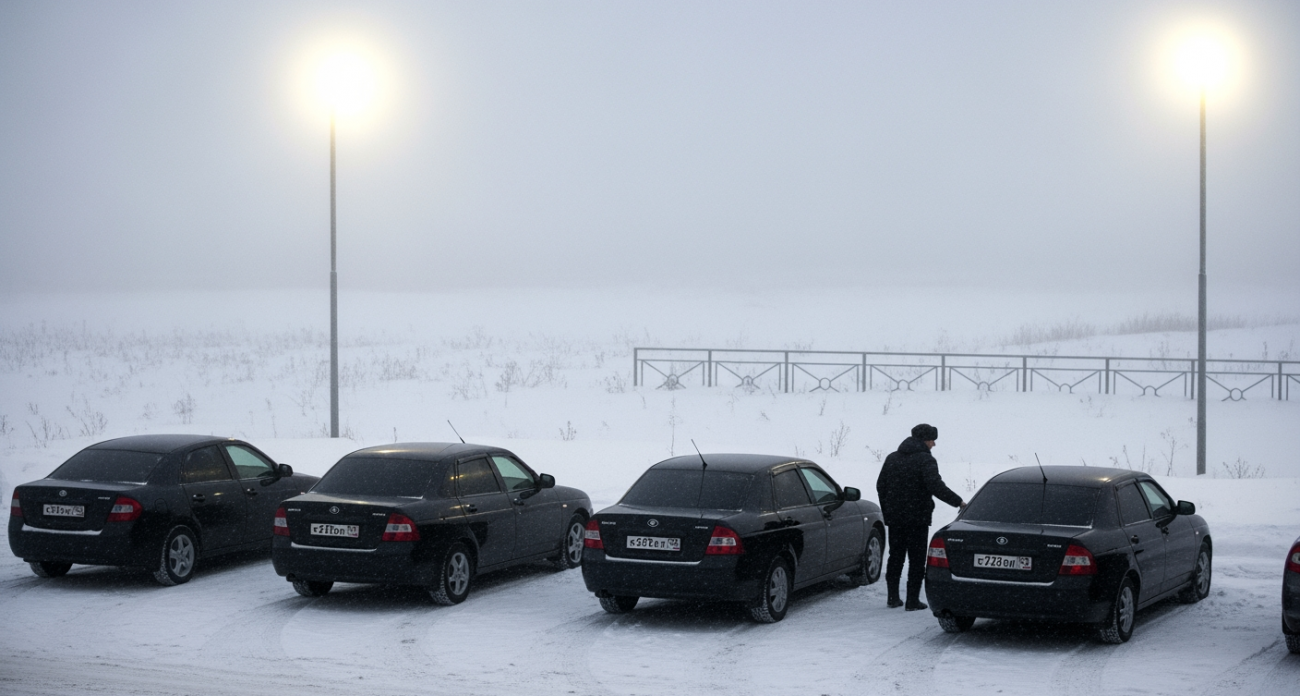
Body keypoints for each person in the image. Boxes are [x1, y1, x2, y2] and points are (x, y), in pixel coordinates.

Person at [875, 423, 964, 611]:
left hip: (896, 518)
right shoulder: (925, 460)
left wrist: (888, 510)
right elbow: (936, 486)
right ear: (925, 440)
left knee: (895, 556)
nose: (934, 444)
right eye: (933, 440)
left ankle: (892, 598)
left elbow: (880, 486)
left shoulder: (892, 458)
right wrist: (959, 502)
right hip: (917, 519)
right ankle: (912, 601)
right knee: (916, 559)